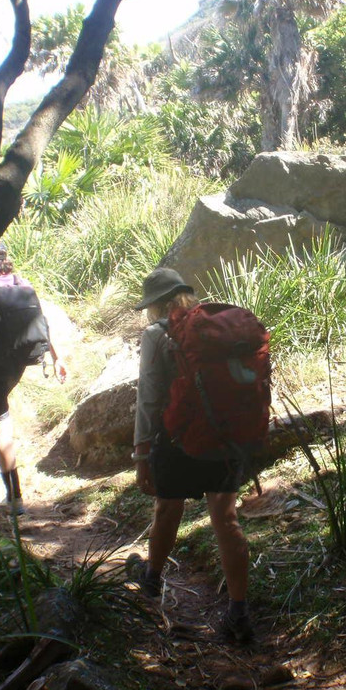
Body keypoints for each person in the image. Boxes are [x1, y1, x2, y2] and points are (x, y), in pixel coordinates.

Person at [128, 267, 254, 643]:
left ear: (162, 304)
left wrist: (141, 452)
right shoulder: (220, 326)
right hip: (224, 437)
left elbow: (149, 397)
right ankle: (239, 613)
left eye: (152, 305)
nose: (150, 313)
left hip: (177, 438)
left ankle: (151, 583)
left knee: (168, 509)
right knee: (226, 520)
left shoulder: (156, 334)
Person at [0, 243, 67, 516]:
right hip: (18, 363)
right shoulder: (22, 283)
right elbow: (41, 323)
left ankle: (15, 498)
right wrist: (57, 357)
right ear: (6, 260)